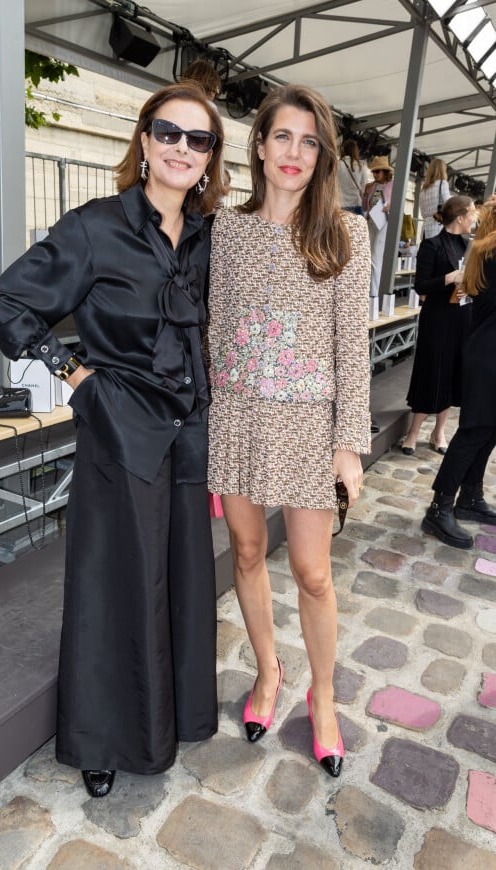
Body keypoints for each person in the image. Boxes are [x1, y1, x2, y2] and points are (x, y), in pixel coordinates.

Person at [0, 82, 226, 798]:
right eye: (169, 133)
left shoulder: (213, 238)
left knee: (181, 576)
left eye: (199, 139)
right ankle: (103, 736)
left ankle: (176, 715)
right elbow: (9, 302)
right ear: (145, 142)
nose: (182, 147)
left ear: (211, 158)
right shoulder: (95, 227)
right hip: (121, 425)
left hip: (190, 432)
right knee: (113, 583)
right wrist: (75, 374)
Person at [206, 84, 371, 778]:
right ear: (260, 144)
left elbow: (352, 347)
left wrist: (349, 443)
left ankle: (324, 699)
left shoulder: (346, 233)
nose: (295, 153)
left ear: (322, 154)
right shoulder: (222, 229)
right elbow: (208, 327)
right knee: (245, 553)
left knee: (311, 572)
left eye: (309, 141)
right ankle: (268, 671)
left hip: (309, 427)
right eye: (283, 137)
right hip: (237, 415)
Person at [421, 200, 496, 548]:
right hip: (487, 354)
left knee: (488, 429)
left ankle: (470, 495)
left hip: (486, 350)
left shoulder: (482, 248)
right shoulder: (489, 250)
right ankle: (439, 507)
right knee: (473, 431)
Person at [402, 195, 476, 456]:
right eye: (471, 214)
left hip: (462, 317)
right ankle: (413, 432)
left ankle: (439, 432)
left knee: (453, 371)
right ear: (460, 217)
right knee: (431, 369)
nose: (474, 219)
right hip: (437, 318)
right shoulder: (431, 245)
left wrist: (469, 286)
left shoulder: (468, 246)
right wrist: (448, 278)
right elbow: (420, 286)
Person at [362, 155, 394, 296]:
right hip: (371, 221)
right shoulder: (372, 186)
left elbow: (397, 205)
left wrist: (390, 207)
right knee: (368, 256)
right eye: (373, 172)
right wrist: (365, 194)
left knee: (375, 257)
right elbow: (365, 206)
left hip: (384, 223)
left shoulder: (393, 185)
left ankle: (374, 294)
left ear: (385, 172)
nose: (374, 174)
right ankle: (370, 292)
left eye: (377, 172)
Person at [419, 158, 450, 240]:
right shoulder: (442, 184)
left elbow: (422, 213)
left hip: (425, 229)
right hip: (438, 228)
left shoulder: (424, 188)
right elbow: (449, 204)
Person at [337, 139, 369, 215]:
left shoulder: (337, 165)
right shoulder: (361, 166)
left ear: (343, 150)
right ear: (355, 151)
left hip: (341, 205)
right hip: (357, 204)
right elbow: (363, 187)